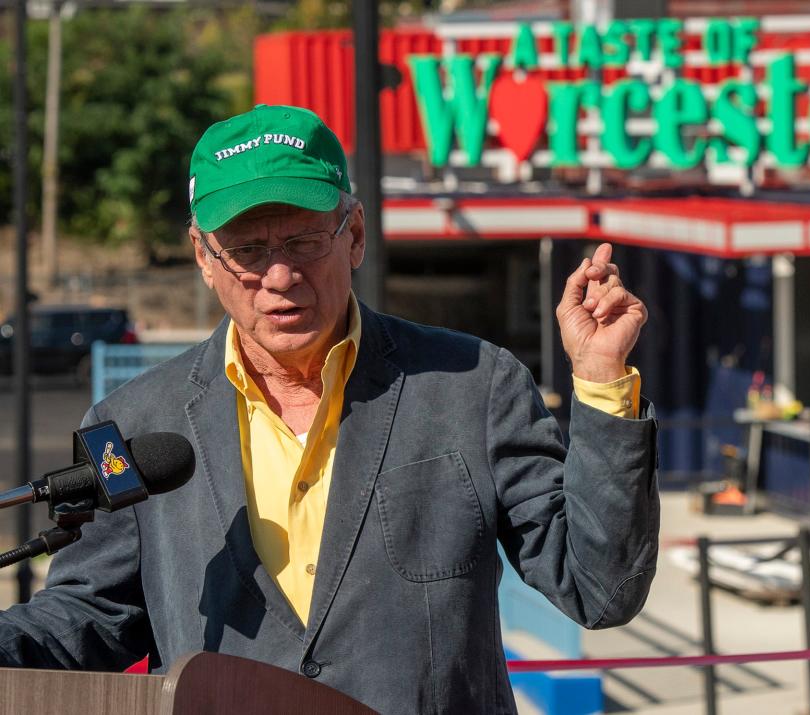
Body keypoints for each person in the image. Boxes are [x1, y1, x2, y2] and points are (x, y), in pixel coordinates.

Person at [0, 105, 659, 714]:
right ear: (204, 256)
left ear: (356, 234)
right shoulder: (135, 423)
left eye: (304, 240)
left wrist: (602, 383)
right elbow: (85, 619)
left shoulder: (474, 385)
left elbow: (599, 589)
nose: (280, 276)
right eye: (248, 250)